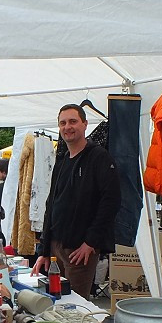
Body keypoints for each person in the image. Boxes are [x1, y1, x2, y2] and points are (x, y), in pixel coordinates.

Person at [32, 104, 120, 299]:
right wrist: (44, 250)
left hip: (80, 250)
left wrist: (90, 242)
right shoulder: (62, 160)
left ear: (85, 124)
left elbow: (111, 202)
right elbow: (51, 205)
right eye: (62, 123)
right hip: (56, 246)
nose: (67, 127)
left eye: (73, 121)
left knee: (77, 305)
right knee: (55, 300)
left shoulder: (99, 158)